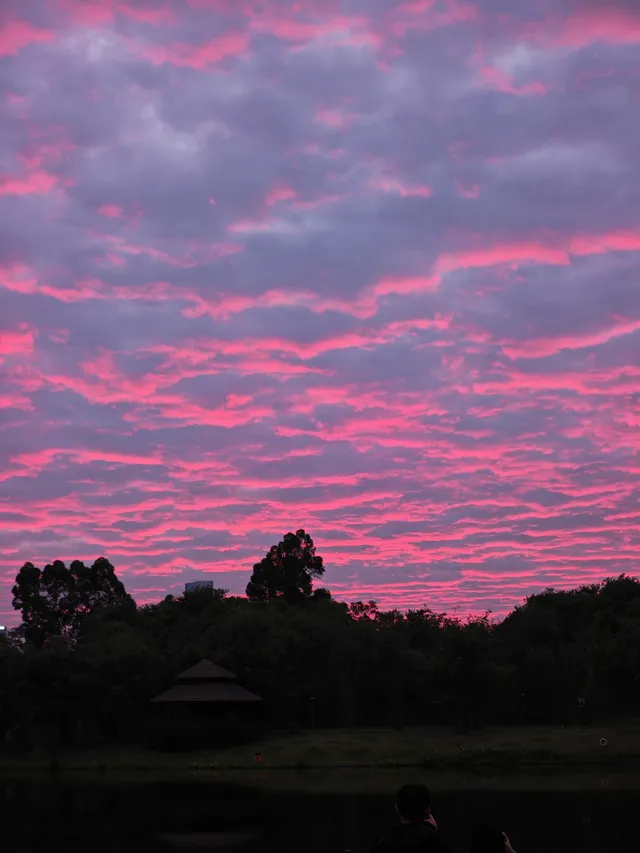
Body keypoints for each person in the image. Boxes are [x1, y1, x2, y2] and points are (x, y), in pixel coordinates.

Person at [370, 784, 449, 853]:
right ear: (428, 810)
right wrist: (433, 831)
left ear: (397, 809)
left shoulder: (384, 844)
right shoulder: (437, 843)